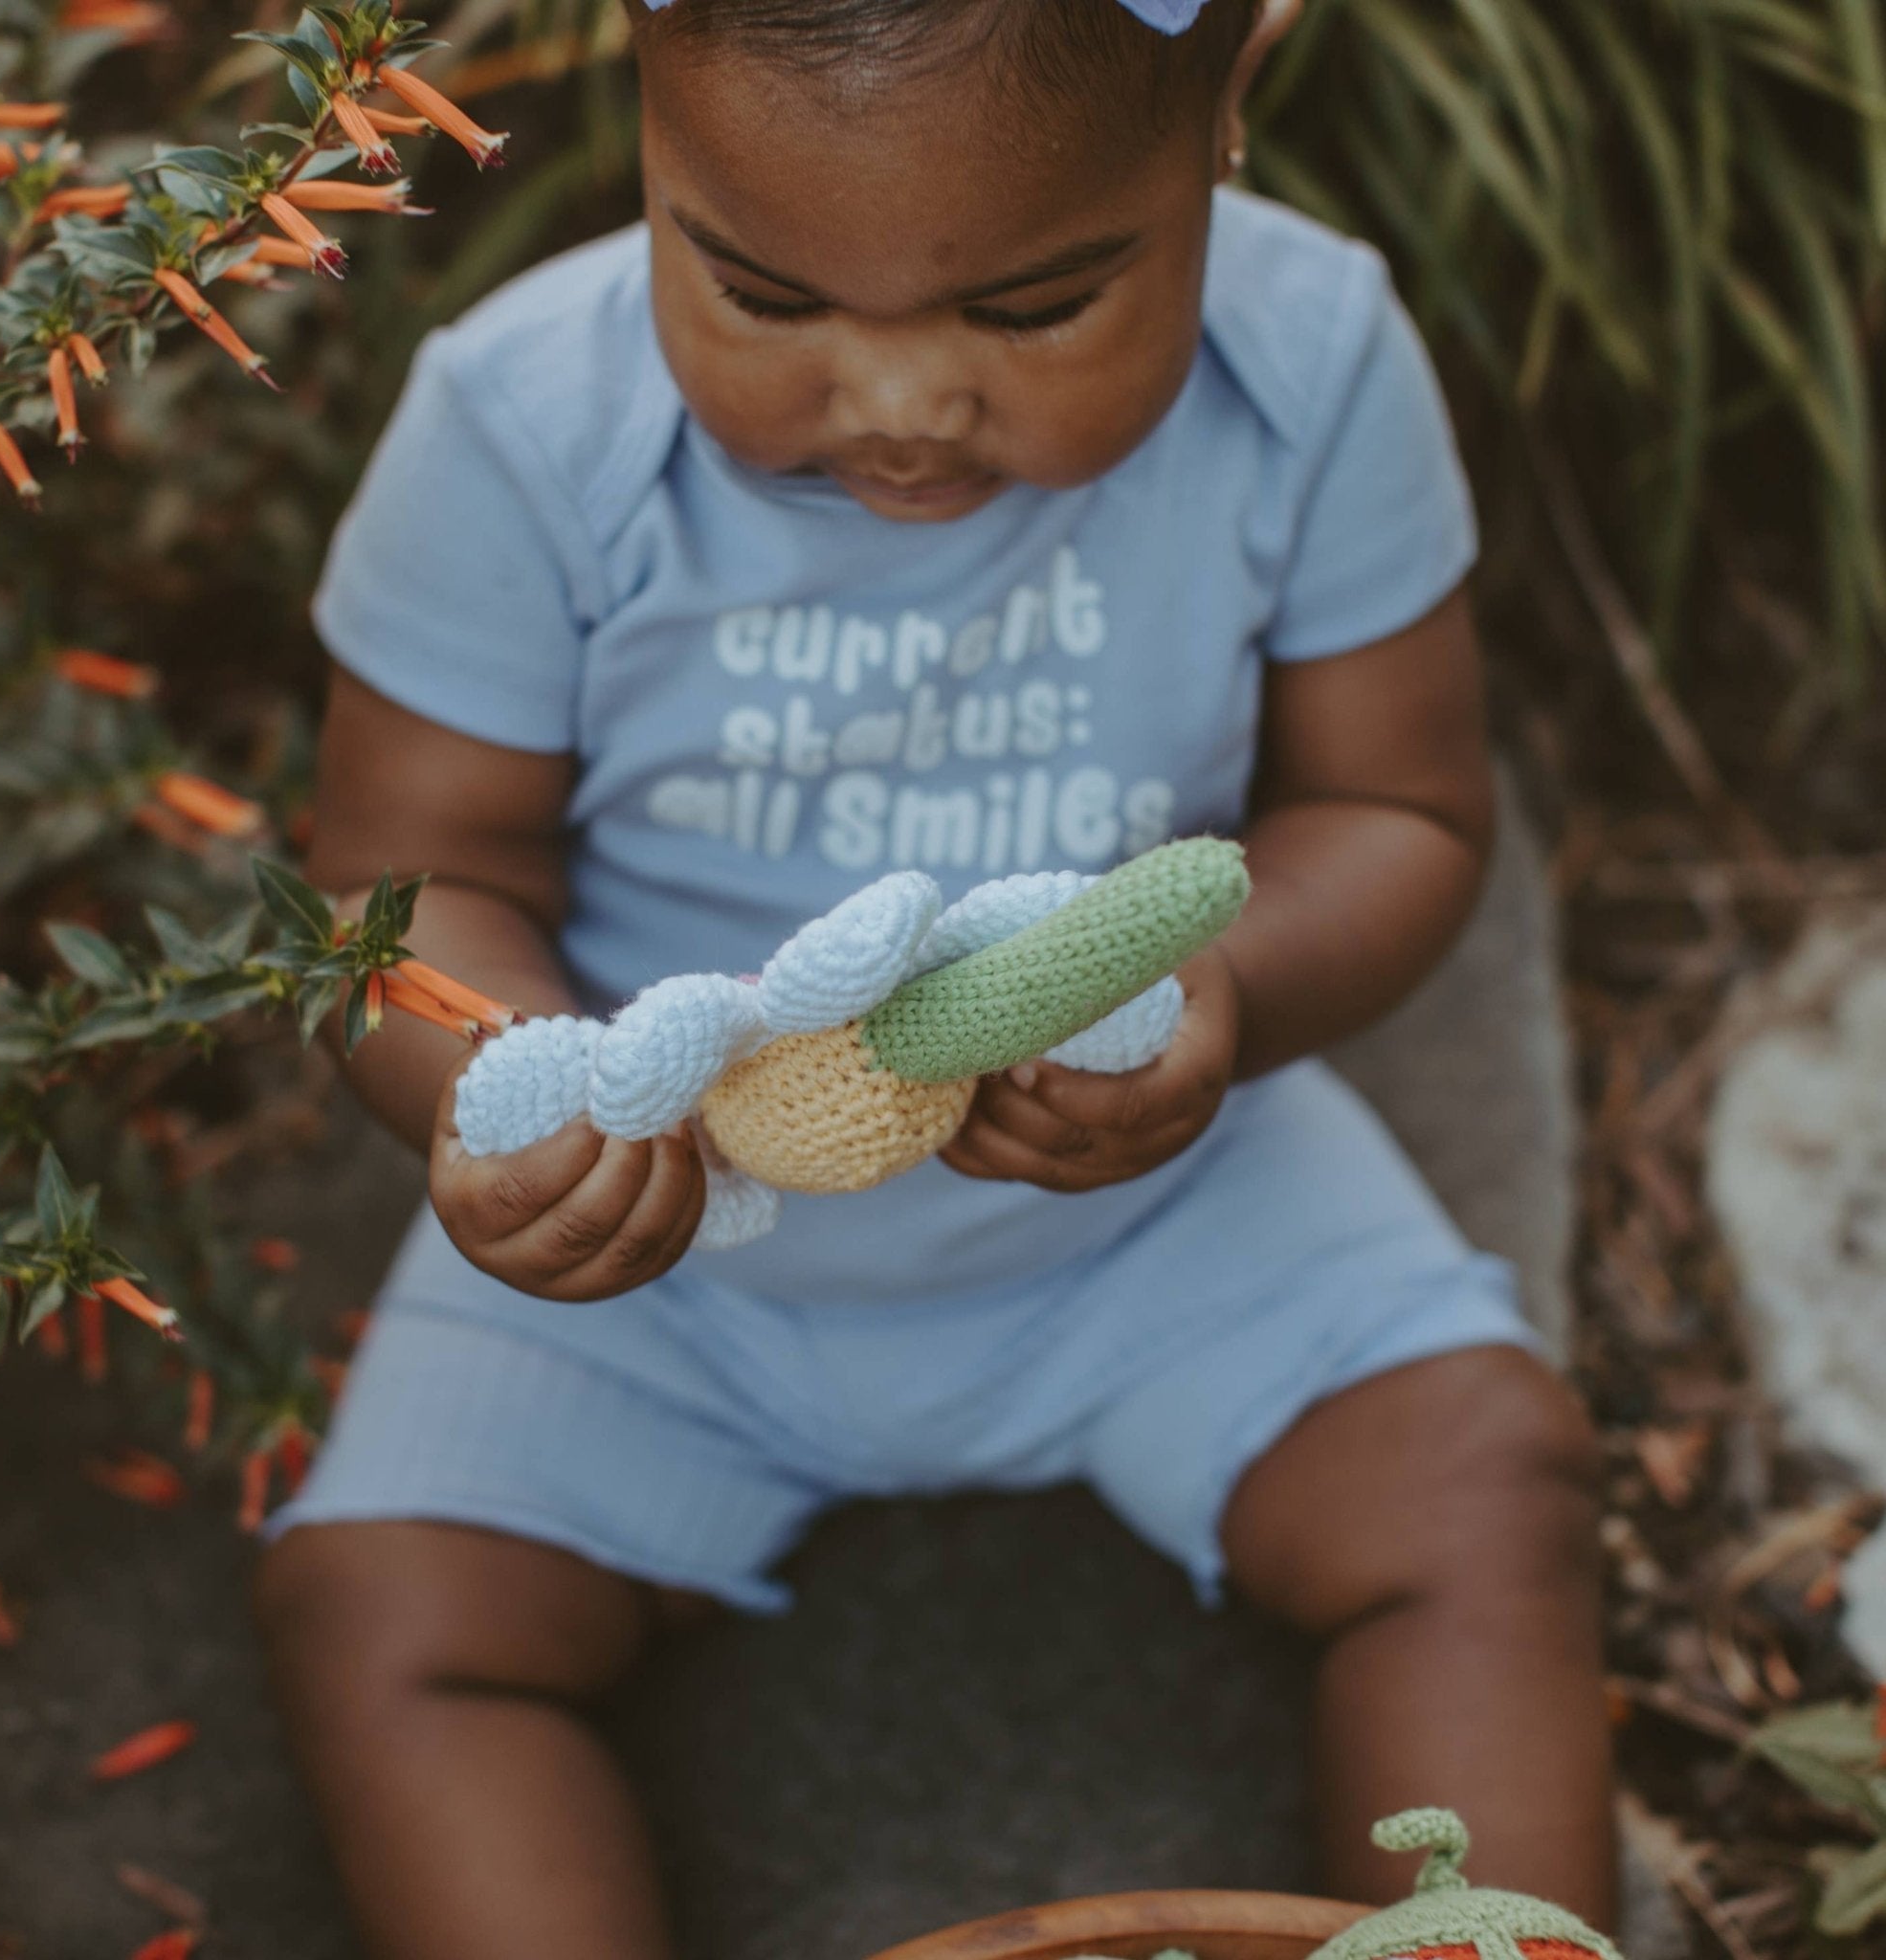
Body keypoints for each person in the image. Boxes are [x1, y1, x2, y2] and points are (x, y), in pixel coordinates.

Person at [255, 1, 1616, 1952]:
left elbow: (1397, 812)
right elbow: (403, 887)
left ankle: (1480, 1938)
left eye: (1038, 306)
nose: (897, 400)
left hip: (1162, 1201)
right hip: (676, 1251)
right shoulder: (523, 424)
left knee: (1489, 1487)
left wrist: (1226, 1001)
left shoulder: (1309, 364)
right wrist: (518, 1104)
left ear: (1225, 100)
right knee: (382, 1613)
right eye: (756, 287)